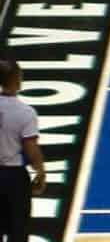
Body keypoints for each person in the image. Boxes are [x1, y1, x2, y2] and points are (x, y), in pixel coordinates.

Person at [0, 60, 47, 242]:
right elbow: (31, 148)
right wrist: (41, 172)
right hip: (13, 178)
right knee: (18, 231)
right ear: (18, 80)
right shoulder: (25, 112)